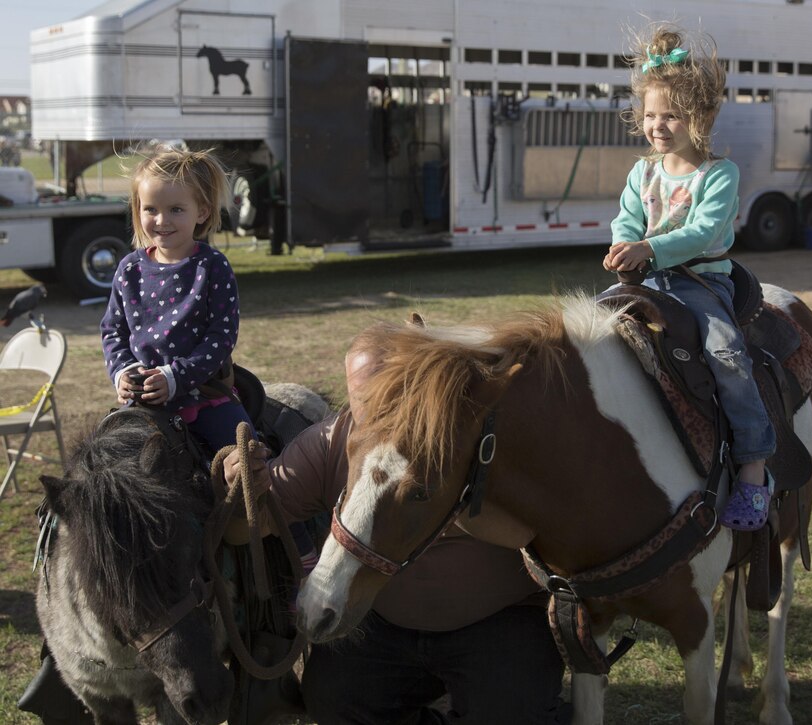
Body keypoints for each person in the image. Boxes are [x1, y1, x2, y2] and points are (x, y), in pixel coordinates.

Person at [222, 410, 568, 725]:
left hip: (501, 621)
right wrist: (242, 494)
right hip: (384, 624)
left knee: (512, 714)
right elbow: (247, 529)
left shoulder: (490, 437)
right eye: (365, 396)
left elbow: (548, 528)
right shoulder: (330, 440)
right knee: (333, 699)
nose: (383, 404)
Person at [100, 144, 316, 568]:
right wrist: (123, 371)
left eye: (175, 210)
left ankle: (301, 554)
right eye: (150, 210)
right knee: (104, 477)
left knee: (254, 472)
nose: (160, 221)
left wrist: (176, 376)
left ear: (201, 211)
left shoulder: (212, 267)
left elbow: (221, 337)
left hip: (204, 396)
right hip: (142, 405)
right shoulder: (128, 269)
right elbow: (113, 331)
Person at [604, 24, 776, 531]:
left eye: (671, 115)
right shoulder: (643, 172)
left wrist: (648, 249)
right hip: (644, 279)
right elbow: (627, 218)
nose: (658, 125)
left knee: (726, 355)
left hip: (700, 284)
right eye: (651, 115)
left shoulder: (719, 175)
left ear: (700, 117)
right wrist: (621, 246)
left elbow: (702, 233)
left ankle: (752, 466)